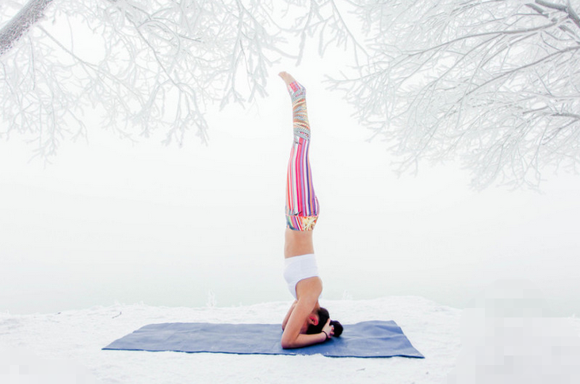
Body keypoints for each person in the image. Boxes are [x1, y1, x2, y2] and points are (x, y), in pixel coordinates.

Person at [278, 71, 343, 349]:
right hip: (302, 217)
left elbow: (285, 328)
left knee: (297, 153)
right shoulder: (312, 292)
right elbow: (288, 341)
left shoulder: (303, 298)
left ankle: (298, 96)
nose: (299, 321)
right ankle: (299, 95)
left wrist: (324, 327)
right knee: (300, 147)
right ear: (313, 320)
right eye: (307, 322)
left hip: (296, 217)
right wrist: (324, 335)